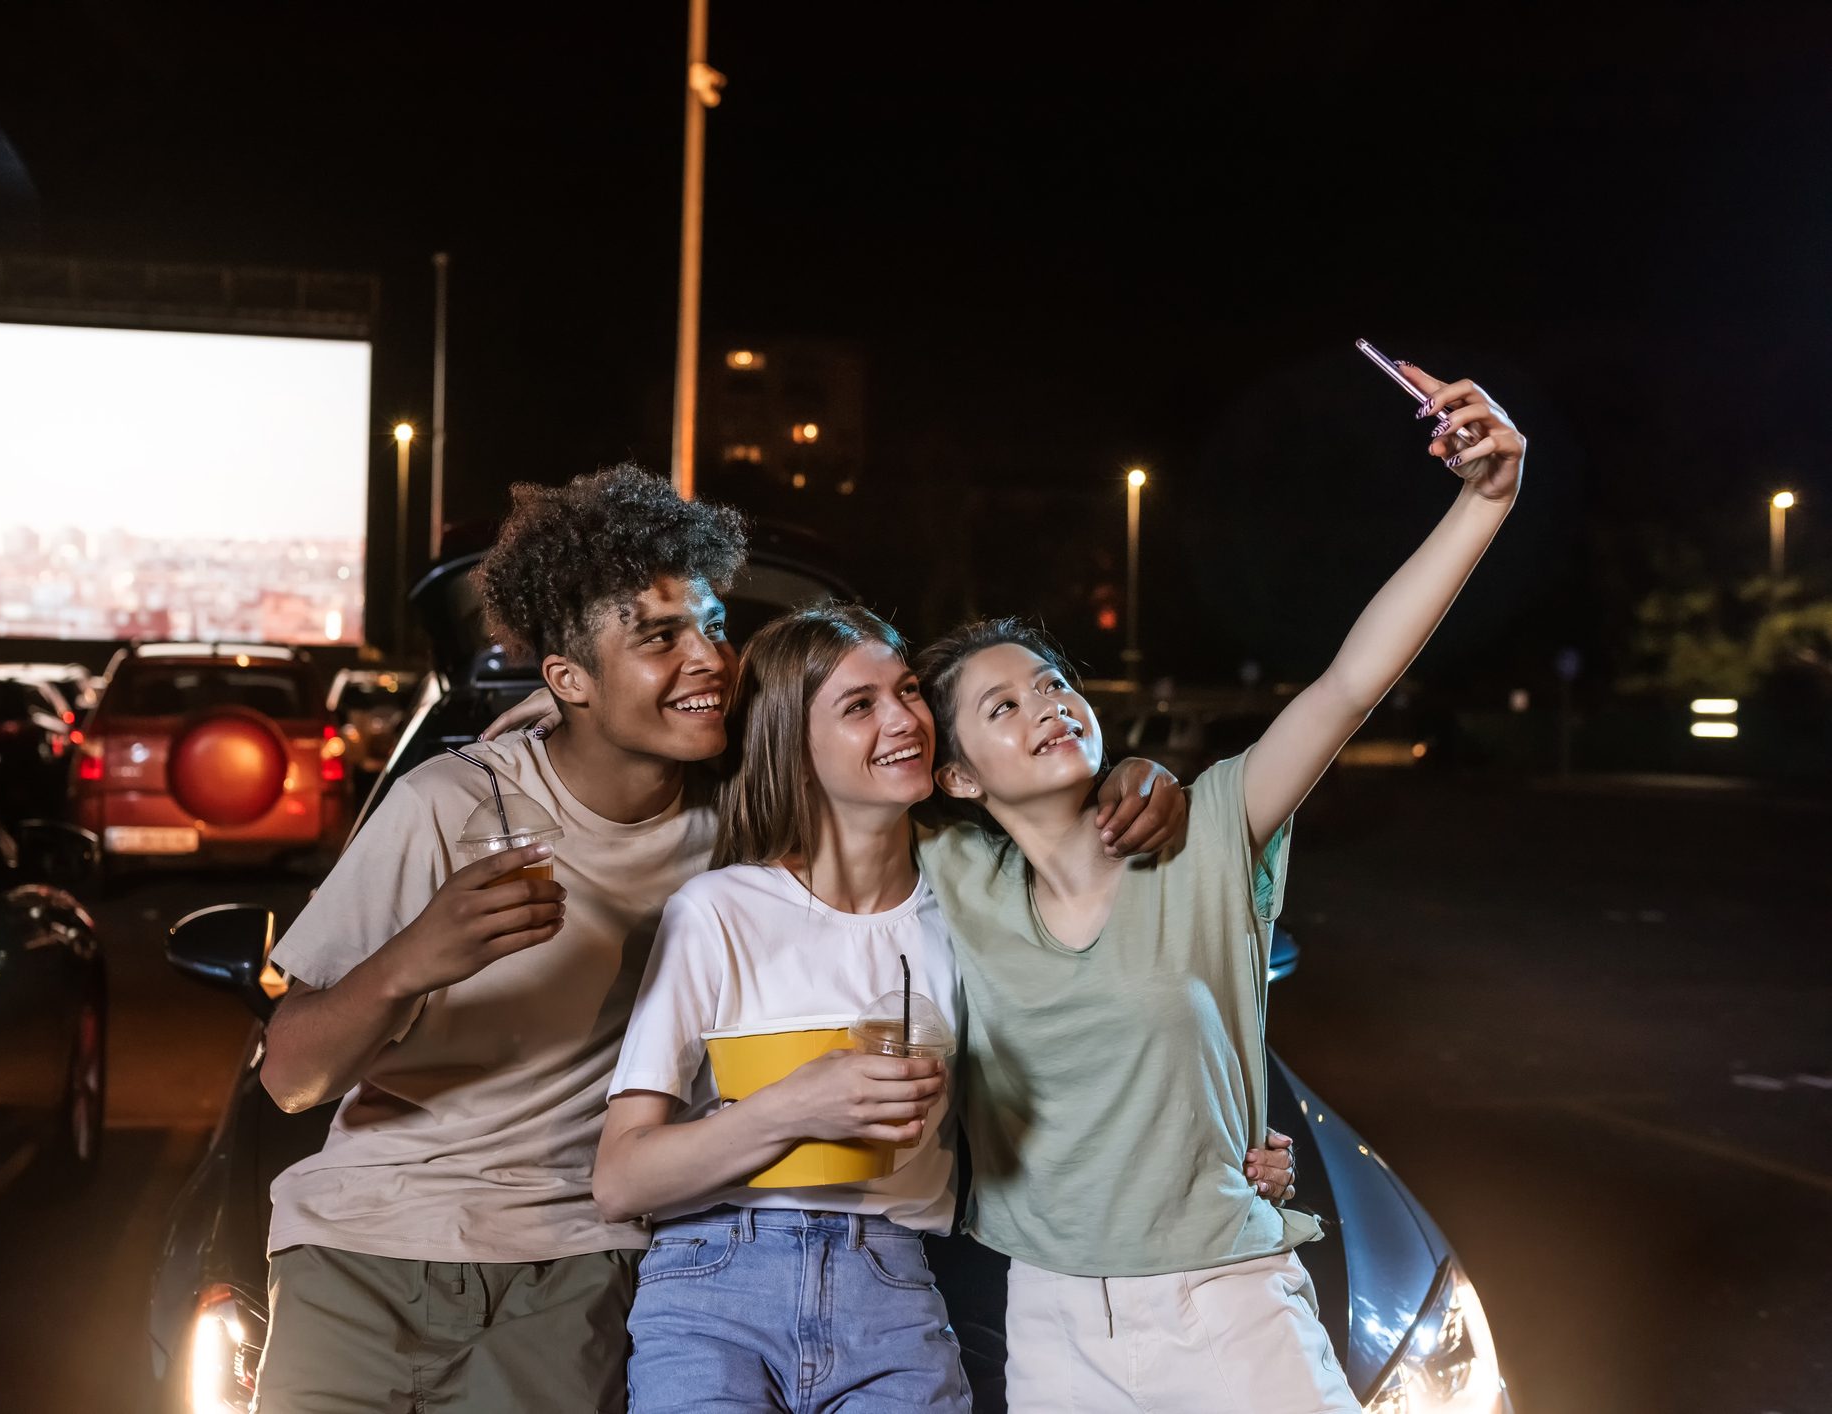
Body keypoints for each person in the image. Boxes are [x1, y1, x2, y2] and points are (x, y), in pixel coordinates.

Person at [248, 462, 1191, 1411]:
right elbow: (288, 1078)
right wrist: (413, 960)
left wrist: (1124, 776)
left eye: (710, 625)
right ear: (567, 679)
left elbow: (938, 817)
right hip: (367, 1235)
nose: (707, 657)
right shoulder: (448, 805)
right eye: (660, 637)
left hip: (577, 1255)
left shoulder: (742, 830)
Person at [913, 362, 1524, 1413]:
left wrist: (1485, 499)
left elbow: (1348, 682)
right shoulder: (945, 873)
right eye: (1002, 707)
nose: (1047, 707)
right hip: (1053, 1319)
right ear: (957, 775)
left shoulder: (1210, 830)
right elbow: (795, 780)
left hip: (1231, 1303)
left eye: (1053, 684)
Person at [590, 607, 1298, 1413]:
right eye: (859, 706)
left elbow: (1097, 1036)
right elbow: (619, 1179)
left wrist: (1224, 1136)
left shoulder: (970, 910)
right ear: (792, 741)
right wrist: (792, 1106)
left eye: (908, 692)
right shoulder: (717, 910)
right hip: (716, 1273)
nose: (903, 719)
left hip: (893, 1285)